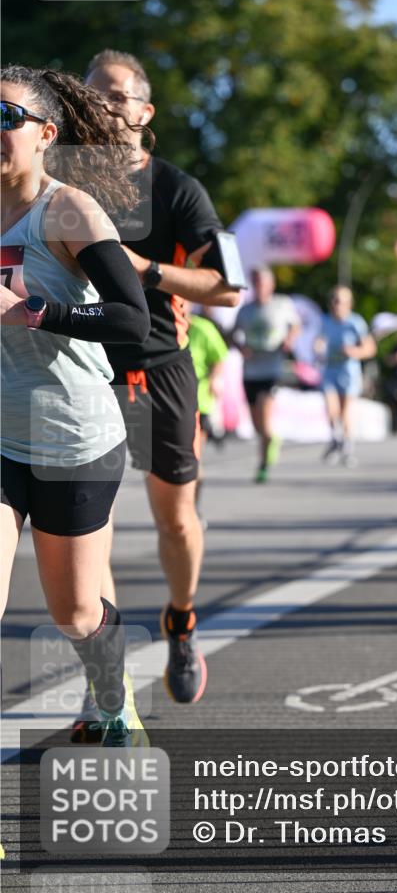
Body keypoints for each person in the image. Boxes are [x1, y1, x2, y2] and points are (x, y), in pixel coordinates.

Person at [84, 50, 241, 710]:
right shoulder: (58, 185)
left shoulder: (175, 189)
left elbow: (226, 290)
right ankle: (104, 668)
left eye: (118, 96)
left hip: (157, 369)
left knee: (174, 519)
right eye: (94, 94)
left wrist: (140, 267)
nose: (105, 105)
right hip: (82, 369)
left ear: (145, 113)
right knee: (89, 521)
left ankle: (181, 620)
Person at [1, 65, 151, 746]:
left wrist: (34, 313)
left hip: (72, 439)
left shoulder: (68, 211)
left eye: (7, 119)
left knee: (78, 613)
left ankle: (113, 698)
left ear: (45, 134)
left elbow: (130, 320)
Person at [233, 267, 300, 482]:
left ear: (271, 285)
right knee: (256, 424)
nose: (260, 287)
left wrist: (289, 340)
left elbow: (296, 326)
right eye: (256, 283)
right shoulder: (246, 310)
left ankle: (263, 464)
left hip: (272, 369)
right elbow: (233, 334)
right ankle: (271, 440)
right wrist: (240, 346)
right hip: (250, 370)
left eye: (263, 283)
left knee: (265, 417)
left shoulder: (282, 304)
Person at [317, 285, 376, 467]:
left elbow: (369, 349)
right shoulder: (325, 321)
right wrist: (318, 349)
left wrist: (354, 351)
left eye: (341, 302)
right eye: (334, 301)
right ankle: (335, 437)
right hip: (330, 370)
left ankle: (347, 448)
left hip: (348, 372)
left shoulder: (355, 323)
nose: (337, 305)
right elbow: (319, 341)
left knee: (346, 411)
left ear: (349, 304)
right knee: (330, 407)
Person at [186, 303, 229, 513]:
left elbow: (220, 356)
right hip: (171, 402)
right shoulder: (162, 328)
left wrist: (214, 377)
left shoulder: (202, 328)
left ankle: (193, 508)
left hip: (199, 402)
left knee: (193, 456)